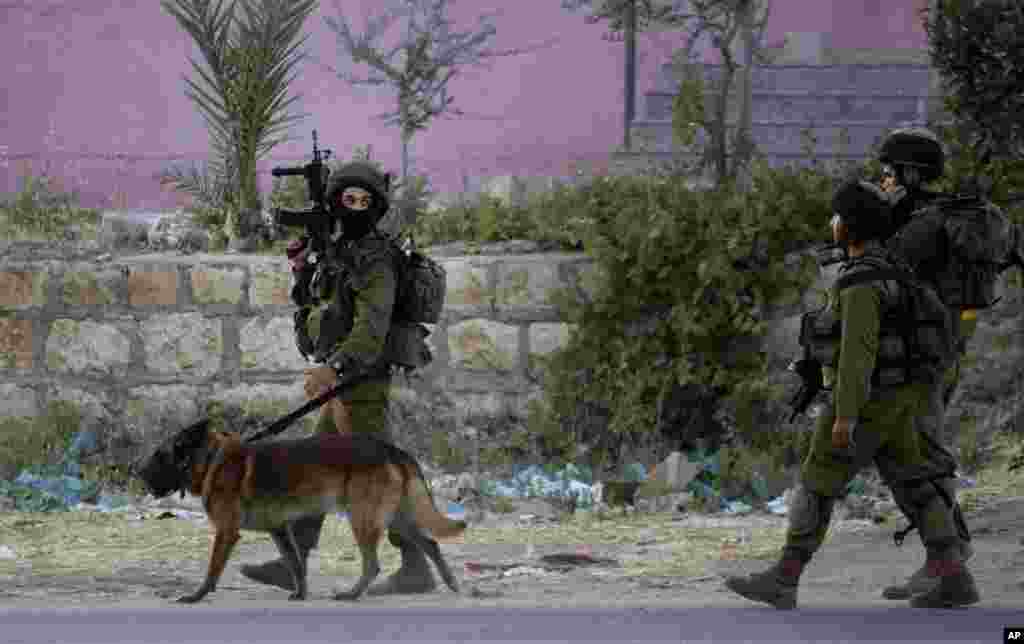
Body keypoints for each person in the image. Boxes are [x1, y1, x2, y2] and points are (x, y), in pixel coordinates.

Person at [724, 179, 980, 610]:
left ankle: (784, 579)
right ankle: (954, 575)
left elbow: (857, 356)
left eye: (837, 216)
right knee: (916, 484)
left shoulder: (860, 283)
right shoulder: (896, 272)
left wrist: (844, 416)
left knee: (817, 482)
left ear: (850, 226)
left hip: (866, 403)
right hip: (902, 403)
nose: (832, 222)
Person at [240, 161, 439, 597]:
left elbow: (371, 329)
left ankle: (416, 565)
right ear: (335, 202)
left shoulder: (376, 259)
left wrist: (334, 368)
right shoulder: (343, 251)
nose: (356, 208)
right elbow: (322, 307)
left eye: (364, 201)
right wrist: (301, 268)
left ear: (377, 206)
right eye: (348, 199)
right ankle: (293, 561)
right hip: (343, 381)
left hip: (361, 381)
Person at [874, 128, 977, 599]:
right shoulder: (932, 217)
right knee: (916, 452)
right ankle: (949, 568)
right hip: (934, 351)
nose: (885, 179)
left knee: (917, 456)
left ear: (912, 173)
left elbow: (880, 273)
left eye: (891, 171)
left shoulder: (921, 224)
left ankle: (949, 555)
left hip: (920, 357)